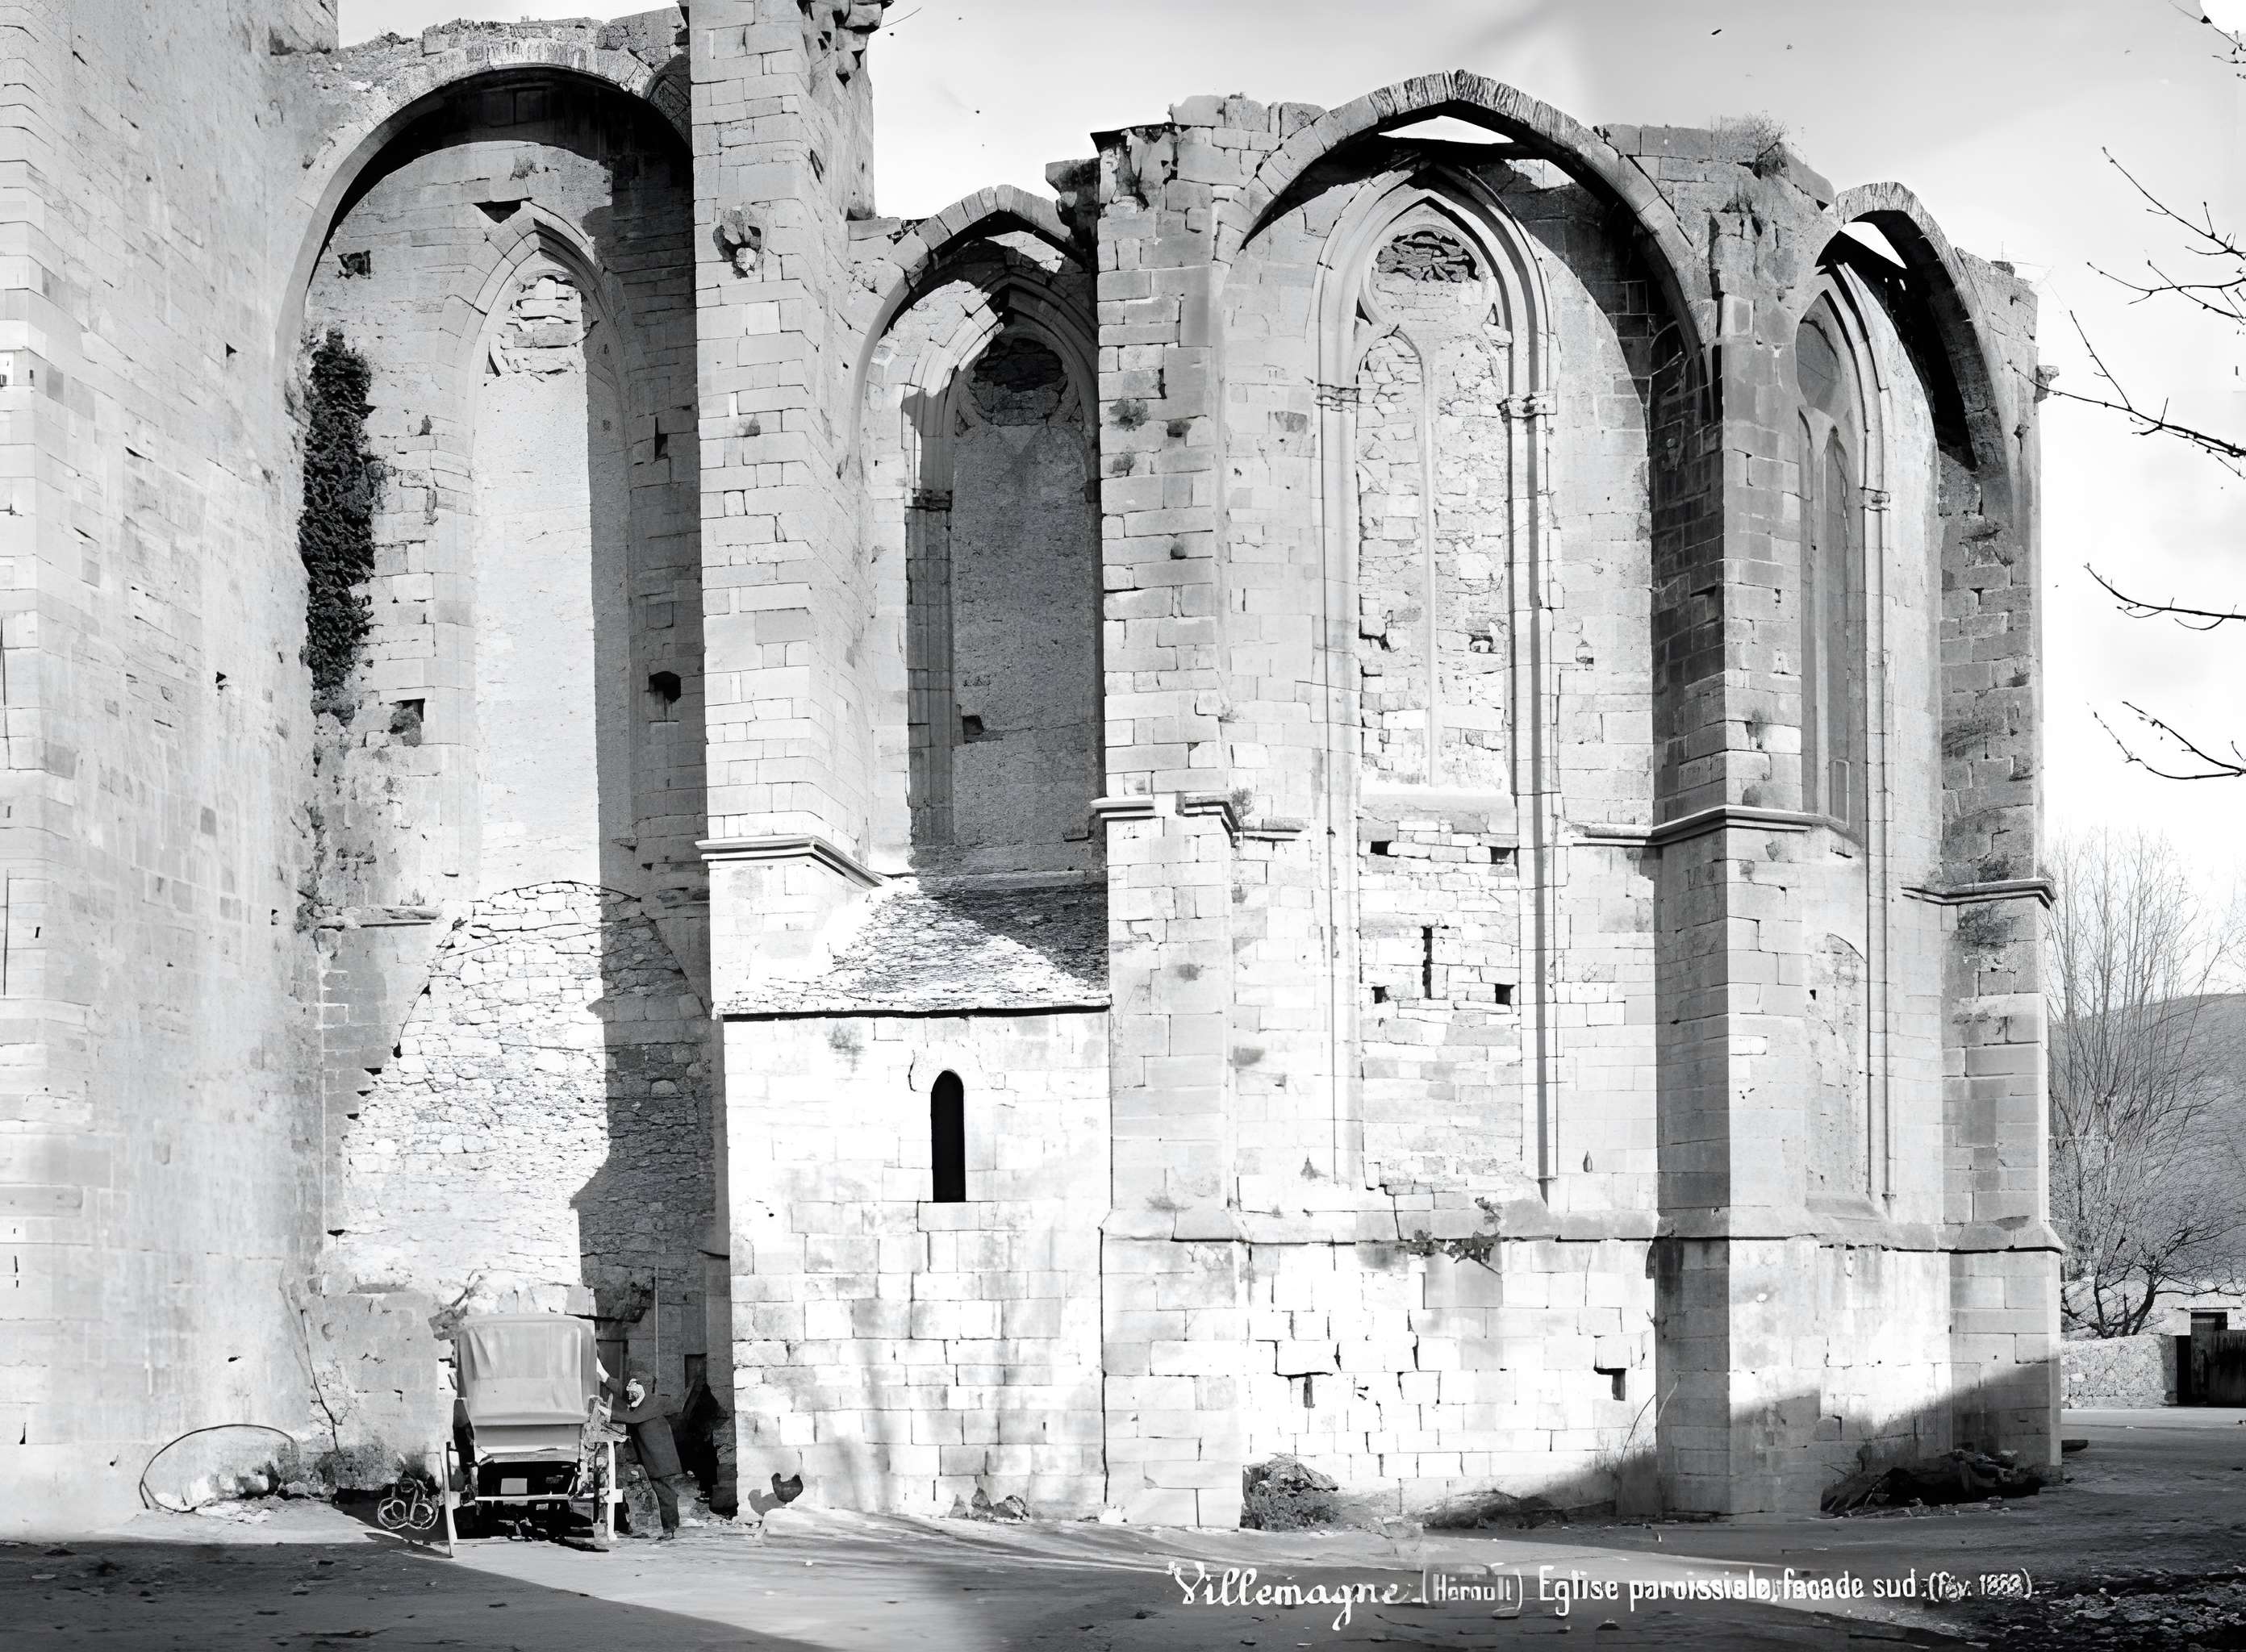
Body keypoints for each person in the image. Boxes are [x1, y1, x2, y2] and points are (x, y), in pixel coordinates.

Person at [609, 1374, 689, 1540]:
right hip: (646, 1454)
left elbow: (633, 1419)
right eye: (628, 1385)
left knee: (664, 1492)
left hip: (659, 1457)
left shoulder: (652, 1403)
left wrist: (606, 1412)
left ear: (642, 1386)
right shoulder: (639, 1401)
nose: (628, 1389)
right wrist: (603, 1376)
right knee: (650, 1490)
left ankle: (670, 1529)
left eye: (632, 1385)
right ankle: (633, 1525)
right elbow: (621, 1390)